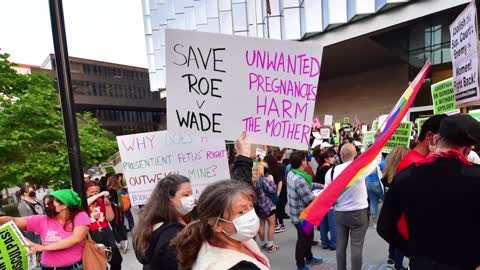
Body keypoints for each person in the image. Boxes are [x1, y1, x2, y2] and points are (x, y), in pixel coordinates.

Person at [377, 115, 480, 269]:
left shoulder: (406, 176)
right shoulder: (475, 177)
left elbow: (384, 227)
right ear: (468, 148)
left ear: (437, 139)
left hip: (421, 263)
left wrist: (412, 250)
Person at [175, 180, 270, 270]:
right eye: (241, 212)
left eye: (251, 206)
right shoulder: (231, 266)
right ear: (217, 224)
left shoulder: (239, 240)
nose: (251, 215)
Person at [0, 189, 89, 269]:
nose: (46, 207)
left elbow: (75, 239)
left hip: (73, 267)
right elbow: (15, 221)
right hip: (48, 267)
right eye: (45, 204)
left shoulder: (80, 216)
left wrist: (43, 248)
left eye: (50, 204)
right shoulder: (42, 220)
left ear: (64, 205)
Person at [325, 143, 380, 270]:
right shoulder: (360, 168)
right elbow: (376, 159)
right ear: (355, 154)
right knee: (356, 247)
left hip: (339, 213)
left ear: (340, 154)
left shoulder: (331, 172)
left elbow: (327, 194)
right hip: (359, 213)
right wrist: (378, 141)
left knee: (340, 246)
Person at [133, 174, 195, 270]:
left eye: (191, 194)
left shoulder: (149, 223)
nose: (191, 198)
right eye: (186, 195)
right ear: (169, 198)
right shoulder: (172, 234)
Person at [287, 150, 324, 270]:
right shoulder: (300, 179)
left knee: (308, 237)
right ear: (302, 162)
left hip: (300, 215)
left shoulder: (292, 173)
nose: (307, 160)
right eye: (305, 158)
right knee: (303, 241)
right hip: (302, 217)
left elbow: (307, 186)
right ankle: (300, 265)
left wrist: (319, 186)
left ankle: (309, 257)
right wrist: (323, 195)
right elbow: (310, 200)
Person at [380, 145, 409, 270]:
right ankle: (398, 264)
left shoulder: (386, 176)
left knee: (393, 238)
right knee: (401, 239)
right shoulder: (403, 176)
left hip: (389, 211)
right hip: (401, 212)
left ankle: (391, 259)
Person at [85, 180, 123, 270]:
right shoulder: (83, 203)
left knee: (116, 260)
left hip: (106, 232)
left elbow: (110, 218)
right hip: (92, 234)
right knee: (100, 263)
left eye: (96, 191)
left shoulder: (100, 201)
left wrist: (108, 205)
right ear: (85, 192)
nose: (94, 194)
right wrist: (98, 195)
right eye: (91, 192)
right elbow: (84, 204)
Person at [313, 148, 337, 250]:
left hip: (319, 197)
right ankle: (333, 243)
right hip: (329, 196)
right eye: (331, 157)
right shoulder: (330, 170)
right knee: (332, 222)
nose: (333, 158)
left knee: (323, 222)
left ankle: (324, 242)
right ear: (326, 159)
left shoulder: (320, 167)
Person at [254, 174, 279, 253]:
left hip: (257, 206)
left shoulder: (250, 181)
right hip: (267, 205)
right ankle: (270, 246)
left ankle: (263, 244)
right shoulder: (262, 180)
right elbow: (273, 189)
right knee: (271, 224)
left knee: (261, 225)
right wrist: (271, 180)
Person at [264, 151, 287, 233]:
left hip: (279, 191)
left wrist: (277, 193)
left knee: (278, 208)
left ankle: (281, 225)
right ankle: (278, 224)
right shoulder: (271, 168)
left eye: (265, 162)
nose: (264, 163)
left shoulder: (273, 169)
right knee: (277, 208)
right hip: (278, 190)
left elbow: (280, 181)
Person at [107, 175, 129, 254]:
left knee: (114, 226)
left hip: (113, 211)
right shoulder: (121, 188)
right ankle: (124, 239)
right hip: (121, 210)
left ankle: (120, 241)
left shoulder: (110, 191)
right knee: (121, 224)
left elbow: (110, 201)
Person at [365, 156, 385, 228]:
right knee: (385, 201)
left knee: (373, 202)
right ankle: (385, 219)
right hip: (378, 183)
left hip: (368, 184)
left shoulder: (367, 160)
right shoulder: (380, 161)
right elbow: (385, 170)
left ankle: (374, 222)